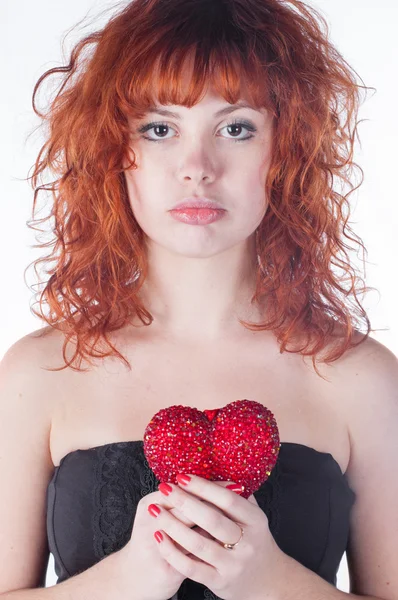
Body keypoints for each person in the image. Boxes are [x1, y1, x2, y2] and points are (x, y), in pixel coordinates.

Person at [0, 0, 397, 599]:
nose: (197, 168)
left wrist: (271, 584)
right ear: (116, 151)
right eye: (160, 129)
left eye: (236, 128)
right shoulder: (39, 371)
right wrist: (126, 581)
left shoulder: (361, 377)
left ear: (285, 151)